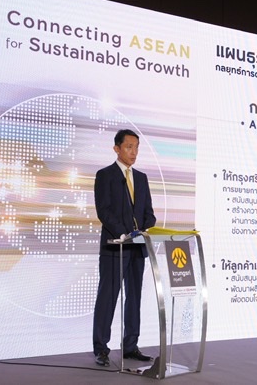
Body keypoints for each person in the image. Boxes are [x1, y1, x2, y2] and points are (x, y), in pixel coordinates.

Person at [93, 129, 156, 366]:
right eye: (129, 147)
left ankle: (130, 346)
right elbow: (104, 211)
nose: (134, 151)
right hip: (115, 247)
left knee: (134, 297)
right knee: (108, 297)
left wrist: (146, 227)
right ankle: (101, 348)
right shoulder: (105, 175)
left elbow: (149, 212)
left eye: (137, 147)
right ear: (117, 148)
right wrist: (124, 233)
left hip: (137, 248)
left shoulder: (141, 178)